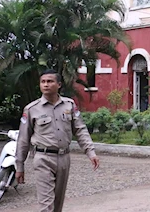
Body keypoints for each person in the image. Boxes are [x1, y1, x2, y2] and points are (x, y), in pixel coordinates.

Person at [16, 69, 100, 212]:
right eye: (43, 82)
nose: (46, 85)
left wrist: (90, 152)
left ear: (59, 84)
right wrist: (20, 166)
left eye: (50, 81)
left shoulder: (69, 105)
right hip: (43, 158)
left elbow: (80, 130)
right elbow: (23, 139)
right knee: (46, 205)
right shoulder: (32, 109)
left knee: (57, 204)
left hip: (64, 158)